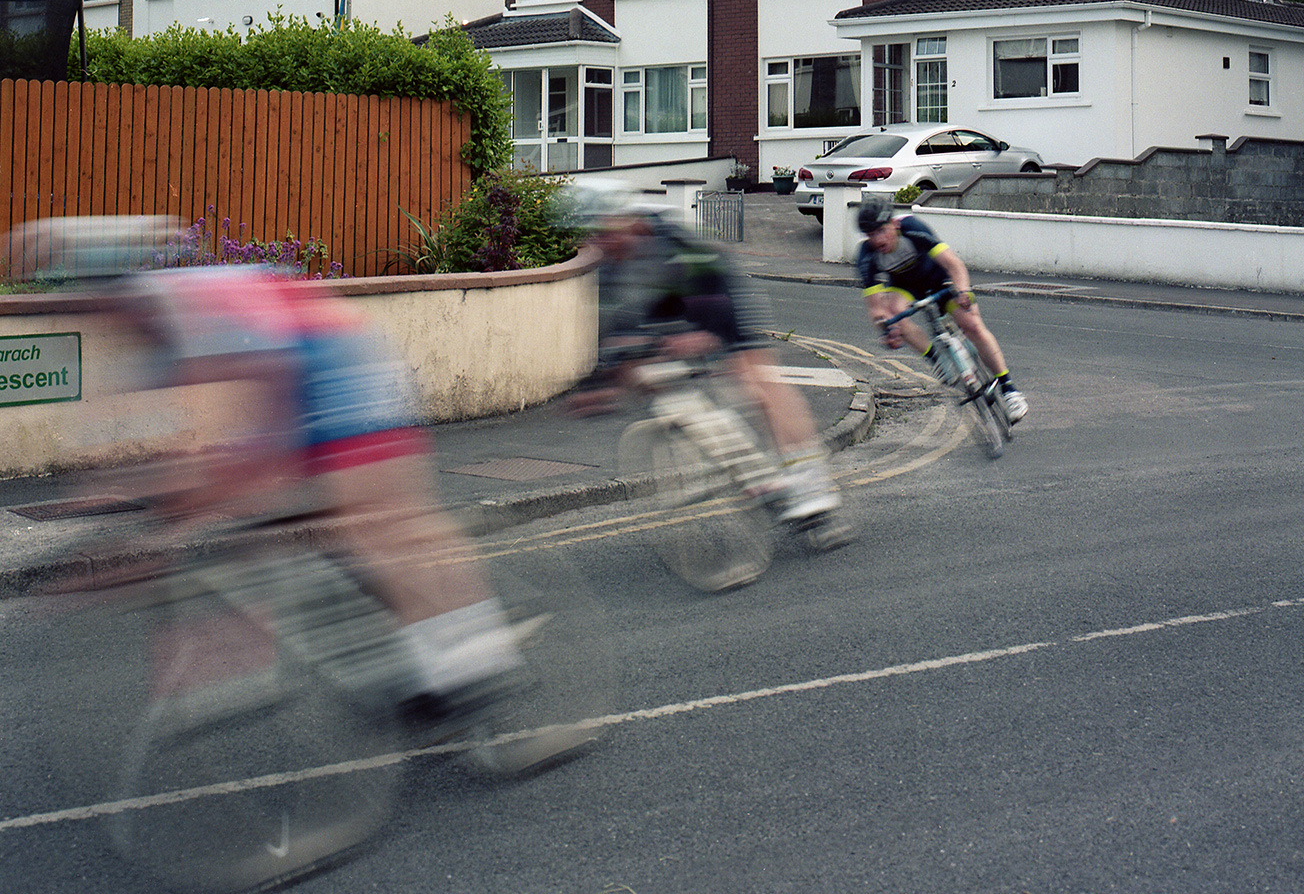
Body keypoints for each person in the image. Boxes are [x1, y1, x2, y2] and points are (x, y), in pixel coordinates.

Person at [88, 248, 527, 730]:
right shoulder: (153, 332)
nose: (109, 325)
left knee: (380, 521)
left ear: (128, 295)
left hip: (337, 360)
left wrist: (214, 491)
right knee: (341, 534)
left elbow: (265, 402)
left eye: (106, 308)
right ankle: (431, 662)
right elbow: (143, 433)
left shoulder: (183, 306)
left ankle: (480, 663)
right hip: (299, 375)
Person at [572, 183, 851, 542]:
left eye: (607, 231)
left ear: (626, 220)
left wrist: (707, 337)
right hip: (666, 307)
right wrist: (600, 387)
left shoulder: (669, 239)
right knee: (642, 373)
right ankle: (741, 463)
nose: (603, 243)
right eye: (593, 235)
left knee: (754, 379)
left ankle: (811, 483)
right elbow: (611, 334)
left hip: (715, 291)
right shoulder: (609, 268)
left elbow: (717, 303)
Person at [855, 198, 1028, 423]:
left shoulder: (912, 229)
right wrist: (886, 328)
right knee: (894, 314)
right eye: (870, 234)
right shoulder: (866, 256)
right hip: (906, 288)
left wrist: (964, 292)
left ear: (894, 224)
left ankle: (1009, 389)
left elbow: (953, 264)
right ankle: (937, 359)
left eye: (881, 230)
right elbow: (876, 309)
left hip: (940, 280)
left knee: (972, 325)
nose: (877, 239)